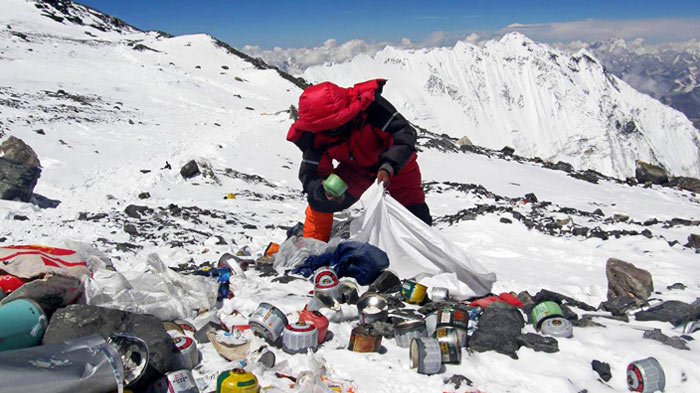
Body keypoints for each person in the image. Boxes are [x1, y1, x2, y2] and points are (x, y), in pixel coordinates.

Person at [287, 79, 432, 242]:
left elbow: (403, 136)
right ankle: (313, 247)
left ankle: (422, 253)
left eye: (332, 126)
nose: (328, 131)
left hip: (396, 167)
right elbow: (312, 173)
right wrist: (322, 192)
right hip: (355, 171)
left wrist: (388, 167)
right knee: (319, 202)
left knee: (415, 217)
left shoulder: (371, 109)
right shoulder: (317, 134)